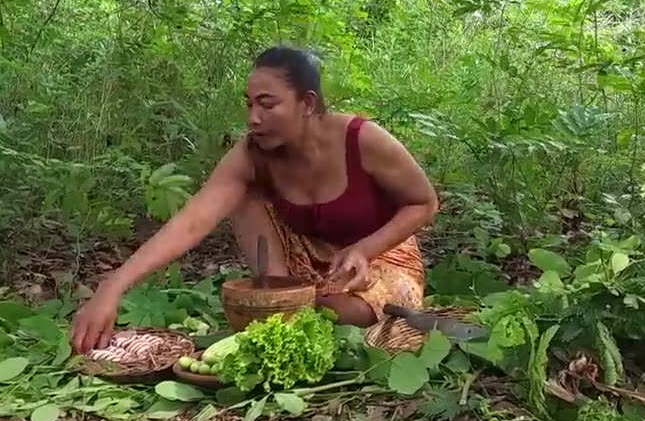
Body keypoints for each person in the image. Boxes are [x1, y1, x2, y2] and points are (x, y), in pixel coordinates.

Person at [70, 46, 438, 354]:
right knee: (243, 195)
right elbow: (193, 220)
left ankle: (287, 310)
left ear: (307, 103)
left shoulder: (362, 140)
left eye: (267, 105)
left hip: (379, 258)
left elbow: (424, 203)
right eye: (248, 105)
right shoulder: (252, 155)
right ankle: (277, 297)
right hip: (302, 264)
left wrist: (364, 249)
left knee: (342, 312)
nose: (253, 118)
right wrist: (114, 285)